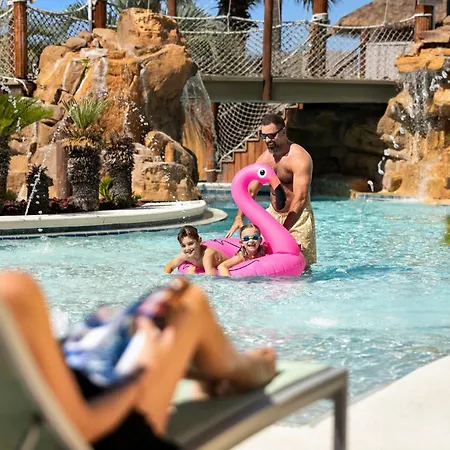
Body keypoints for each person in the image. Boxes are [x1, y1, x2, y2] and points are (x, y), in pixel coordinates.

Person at [0, 270, 276, 450]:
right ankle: (241, 371)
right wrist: (139, 377)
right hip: (106, 433)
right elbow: (82, 428)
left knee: (154, 308)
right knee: (187, 303)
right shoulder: (12, 292)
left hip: (63, 395)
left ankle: (207, 368)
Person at [225, 112, 317, 268]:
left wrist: (283, 231)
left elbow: (300, 198)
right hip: (273, 216)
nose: (267, 140)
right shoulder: (265, 159)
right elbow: (250, 191)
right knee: (266, 262)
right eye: (264, 136)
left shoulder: (299, 158)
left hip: (298, 218)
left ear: (283, 132)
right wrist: (239, 217)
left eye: (272, 135)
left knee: (301, 267)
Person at [164, 225, 228, 276]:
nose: (187, 248)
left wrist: (192, 275)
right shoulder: (185, 254)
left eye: (190, 244)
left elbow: (211, 277)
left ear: (199, 240)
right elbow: (169, 266)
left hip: (229, 266)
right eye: (183, 246)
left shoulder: (207, 254)